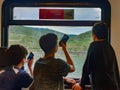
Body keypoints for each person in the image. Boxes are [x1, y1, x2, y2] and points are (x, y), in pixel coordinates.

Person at [72, 22, 120, 90]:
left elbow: (87, 67)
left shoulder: (94, 46)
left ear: (94, 35)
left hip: (101, 86)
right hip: (113, 85)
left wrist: (81, 84)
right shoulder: (109, 46)